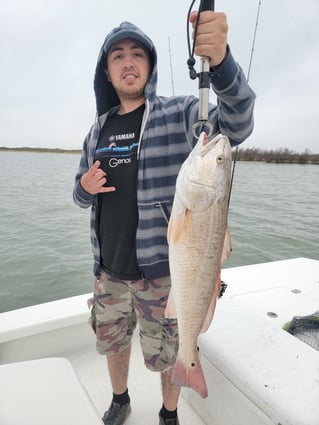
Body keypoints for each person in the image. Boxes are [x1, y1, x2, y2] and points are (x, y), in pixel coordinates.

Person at [73, 9, 255, 425]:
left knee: (171, 349)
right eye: (117, 56)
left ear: (150, 65)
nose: (128, 62)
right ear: (107, 70)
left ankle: (169, 411)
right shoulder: (96, 131)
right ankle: (120, 398)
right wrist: (84, 187)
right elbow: (78, 195)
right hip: (108, 271)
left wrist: (222, 63)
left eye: (137, 54)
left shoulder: (180, 114)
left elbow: (238, 123)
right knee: (112, 344)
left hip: (162, 271)